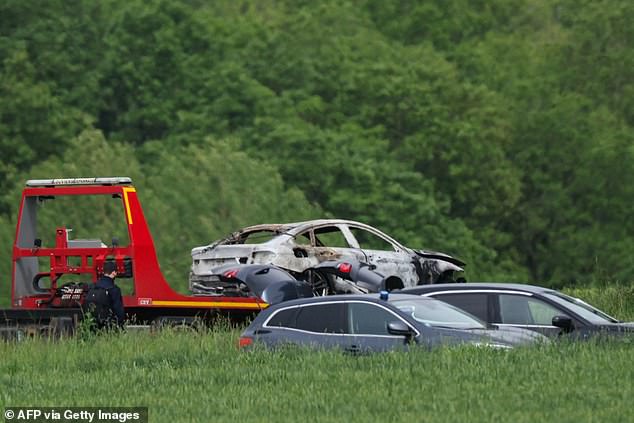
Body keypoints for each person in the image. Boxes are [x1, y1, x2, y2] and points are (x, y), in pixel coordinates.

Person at [84, 261, 125, 329]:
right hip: (108, 325)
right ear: (114, 273)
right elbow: (118, 311)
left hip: (93, 323)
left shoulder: (93, 286)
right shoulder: (114, 289)